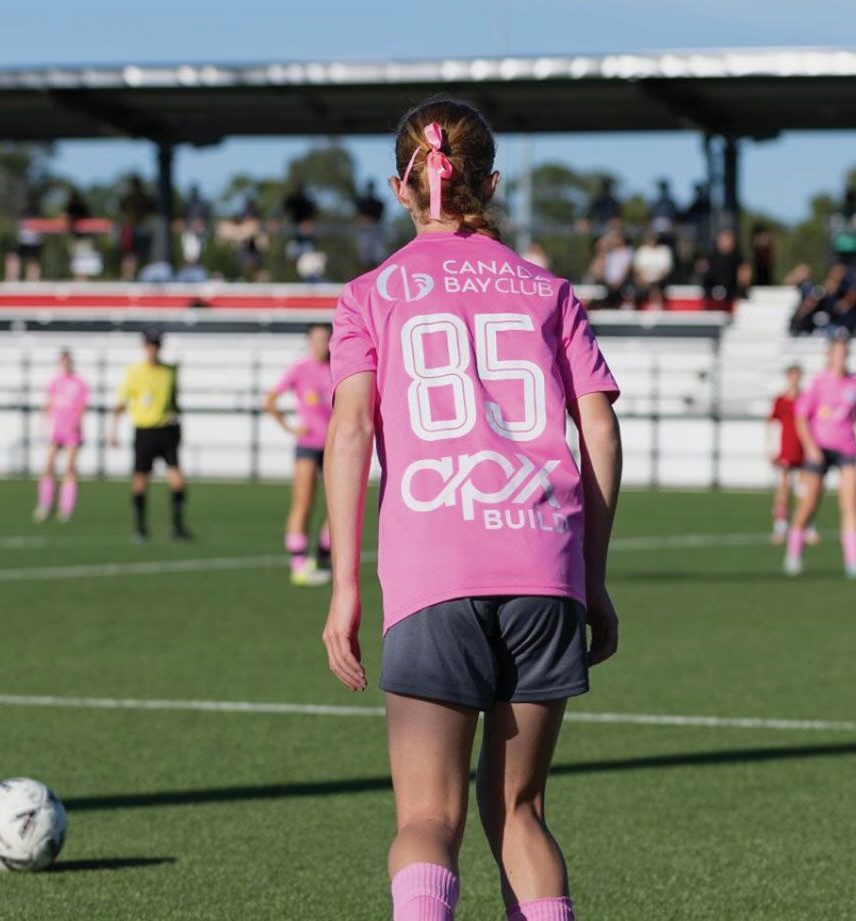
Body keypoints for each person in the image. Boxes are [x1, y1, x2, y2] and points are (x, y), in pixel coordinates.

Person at [321, 96, 622, 921]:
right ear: (492, 181)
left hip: (433, 569)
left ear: (401, 185)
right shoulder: (549, 290)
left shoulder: (370, 293)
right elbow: (597, 426)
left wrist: (345, 584)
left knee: (427, 817)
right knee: (519, 811)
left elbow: (350, 432)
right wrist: (589, 576)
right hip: (541, 560)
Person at [783, 336, 856, 579]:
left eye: (845, 353)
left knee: (851, 503)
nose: (841, 358)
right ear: (829, 355)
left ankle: (853, 561)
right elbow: (801, 417)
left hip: (846, 449)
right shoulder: (818, 383)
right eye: (837, 353)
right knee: (810, 502)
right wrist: (810, 447)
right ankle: (793, 553)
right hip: (820, 448)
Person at [264, 323, 334, 587]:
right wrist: (290, 427)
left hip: (334, 447)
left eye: (326, 339)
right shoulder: (300, 369)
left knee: (337, 507)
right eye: (316, 339)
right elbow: (270, 400)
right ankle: (299, 564)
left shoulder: (339, 367)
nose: (321, 344)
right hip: (308, 444)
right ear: (308, 341)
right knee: (303, 502)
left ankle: (323, 557)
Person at [108, 328, 192, 543]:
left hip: (166, 430)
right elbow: (121, 403)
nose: (153, 349)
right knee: (140, 480)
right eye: (150, 345)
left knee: (178, 481)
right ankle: (140, 527)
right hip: (145, 431)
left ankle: (177, 525)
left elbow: (174, 401)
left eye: (156, 345)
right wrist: (113, 430)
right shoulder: (134, 372)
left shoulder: (169, 371)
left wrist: (179, 425)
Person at [34, 350, 90, 523]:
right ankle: (44, 505)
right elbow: (50, 402)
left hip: (72, 430)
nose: (64, 365)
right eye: (62, 362)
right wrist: (44, 418)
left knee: (69, 469)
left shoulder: (79, 383)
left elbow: (83, 406)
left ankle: (66, 509)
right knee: (48, 467)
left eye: (67, 362)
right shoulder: (55, 382)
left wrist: (78, 423)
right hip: (56, 429)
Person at [766, 364, 818, 547]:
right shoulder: (780, 401)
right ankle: (780, 527)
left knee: (804, 490)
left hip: (803, 449)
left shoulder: (806, 399)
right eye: (792, 375)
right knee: (783, 488)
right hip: (786, 449)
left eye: (797, 375)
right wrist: (771, 449)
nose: (794, 379)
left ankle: (807, 526)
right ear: (788, 377)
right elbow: (772, 425)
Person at [700, 227, 749, 312]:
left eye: (729, 240)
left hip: (731, 299)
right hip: (711, 300)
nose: (726, 242)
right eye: (724, 239)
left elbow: (744, 277)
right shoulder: (710, 257)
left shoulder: (738, 259)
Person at [355, 179, 388, 268]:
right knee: (365, 256)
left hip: (375, 230)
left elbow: (379, 216)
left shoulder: (378, 203)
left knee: (379, 254)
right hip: (365, 230)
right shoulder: (361, 202)